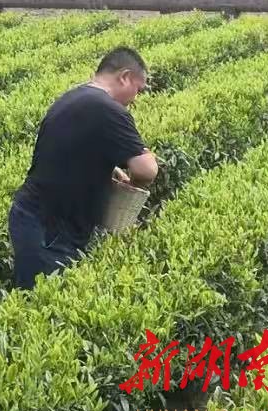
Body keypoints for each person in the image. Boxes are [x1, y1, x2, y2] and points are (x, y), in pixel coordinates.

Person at [9, 47, 159, 290]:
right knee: (45, 306)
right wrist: (140, 170)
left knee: (37, 298)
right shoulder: (109, 110)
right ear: (125, 77)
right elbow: (147, 171)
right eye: (138, 90)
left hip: (35, 219)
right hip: (50, 231)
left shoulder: (75, 97)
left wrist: (111, 171)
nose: (135, 98)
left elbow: (71, 153)